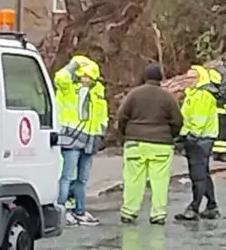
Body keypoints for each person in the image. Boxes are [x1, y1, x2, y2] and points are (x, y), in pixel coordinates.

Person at [116, 62, 184, 225]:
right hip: (161, 144)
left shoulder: (134, 94)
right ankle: (158, 214)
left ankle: (129, 211)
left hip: (135, 143)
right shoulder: (167, 97)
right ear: (160, 78)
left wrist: (127, 134)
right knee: (159, 180)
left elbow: (122, 117)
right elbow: (177, 121)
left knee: (133, 179)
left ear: (145, 77)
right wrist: (170, 135)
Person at [54, 54, 107, 225]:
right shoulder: (68, 88)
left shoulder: (97, 91)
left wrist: (101, 132)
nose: (88, 80)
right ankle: (62, 210)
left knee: (82, 180)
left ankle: (80, 210)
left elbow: (102, 115)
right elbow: (60, 77)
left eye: (91, 77)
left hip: (89, 140)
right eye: (85, 76)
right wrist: (73, 63)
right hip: (71, 138)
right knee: (67, 176)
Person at [175, 65, 222, 221]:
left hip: (199, 139)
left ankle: (194, 207)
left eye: (192, 78)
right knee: (203, 173)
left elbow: (198, 121)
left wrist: (188, 136)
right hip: (200, 137)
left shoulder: (202, 95)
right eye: (187, 77)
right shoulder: (195, 94)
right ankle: (211, 206)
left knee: (198, 175)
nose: (188, 80)